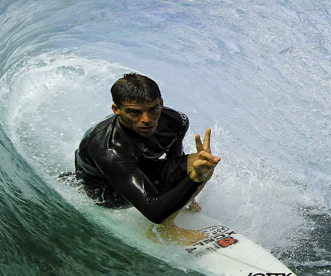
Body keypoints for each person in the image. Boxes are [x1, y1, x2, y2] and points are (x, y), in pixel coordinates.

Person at [71, 73, 221, 245]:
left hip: (141, 167)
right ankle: (165, 230)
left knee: (203, 163)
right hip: (108, 190)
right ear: (116, 109)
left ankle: (174, 212)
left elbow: (175, 159)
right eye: (134, 112)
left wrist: (188, 192)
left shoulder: (175, 121)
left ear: (161, 104)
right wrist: (195, 179)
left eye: (153, 109)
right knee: (195, 174)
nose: (147, 119)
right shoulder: (109, 148)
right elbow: (153, 212)